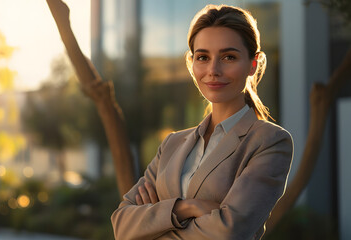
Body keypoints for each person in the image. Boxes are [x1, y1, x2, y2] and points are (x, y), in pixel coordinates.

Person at [111, 4, 293, 240]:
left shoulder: (269, 141)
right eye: (203, 57)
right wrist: (184, 208)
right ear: (192, 63)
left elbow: (229, 232)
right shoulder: (172, 144)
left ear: (253, 64)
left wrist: (154, 222)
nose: (213, 70)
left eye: (229, 57)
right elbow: (122, 225)